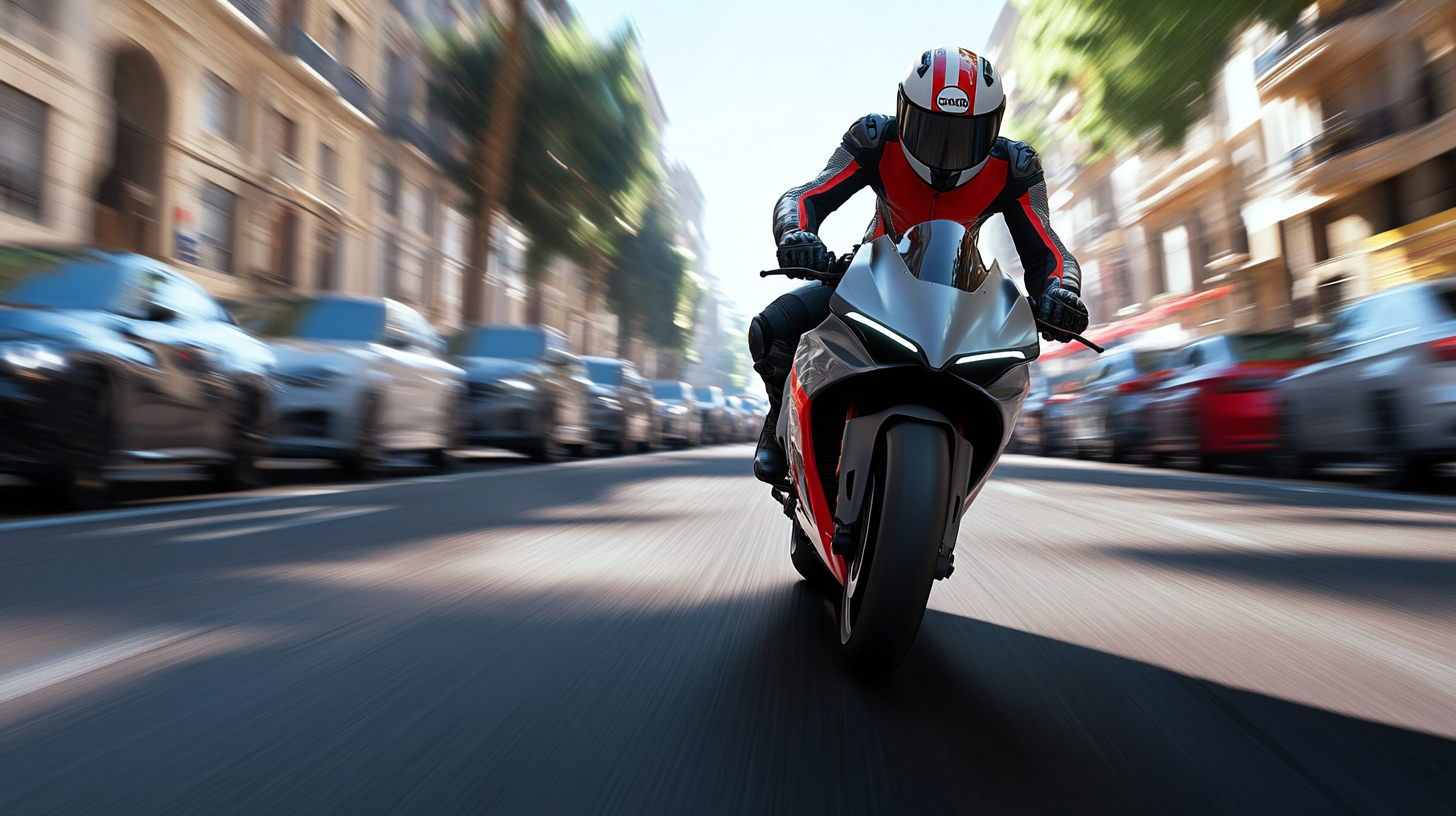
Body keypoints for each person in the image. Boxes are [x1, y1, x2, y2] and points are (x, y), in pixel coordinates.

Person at [749, 46, 1090, 484]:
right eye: (931, 130)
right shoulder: (875, 138)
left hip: (959, 301)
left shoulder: (1015, 167)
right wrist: (798, 235)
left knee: (1009, 371)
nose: (944, 153)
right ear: (902, 111)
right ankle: (778, 423)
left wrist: (1061, 293)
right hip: (867, 284)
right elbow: (806, 196)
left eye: (963, 135)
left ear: (994, 127)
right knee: (772, 331)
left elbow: (1049, 251)